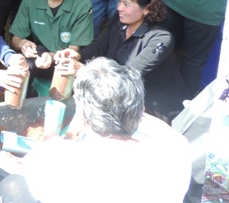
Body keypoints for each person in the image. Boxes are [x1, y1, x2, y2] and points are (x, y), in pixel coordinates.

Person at [20, 58, 191, 203]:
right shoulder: (176, 149)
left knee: (14, 187)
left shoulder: (58, 161)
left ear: (83, 114)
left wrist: (57, 138)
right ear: (141, 109)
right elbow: (156, 127)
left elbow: (36, 164)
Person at [57, 0, 188, 117]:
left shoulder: (160, 39)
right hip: (125, 97)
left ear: (147, 9)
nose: (119, 8)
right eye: (119, 1)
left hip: (159, 109)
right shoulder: (120, 20)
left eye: (126, 4)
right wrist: (77, 56)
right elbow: (98, 46)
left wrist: (83, 69)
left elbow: (129, 74)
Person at [9, 0, 93, 84]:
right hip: (39, 58)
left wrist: (51, 56)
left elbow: (73, 50)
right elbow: (15, 38)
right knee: (24, 65)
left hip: (67, 63)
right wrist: (22, 43)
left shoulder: (82, 5)